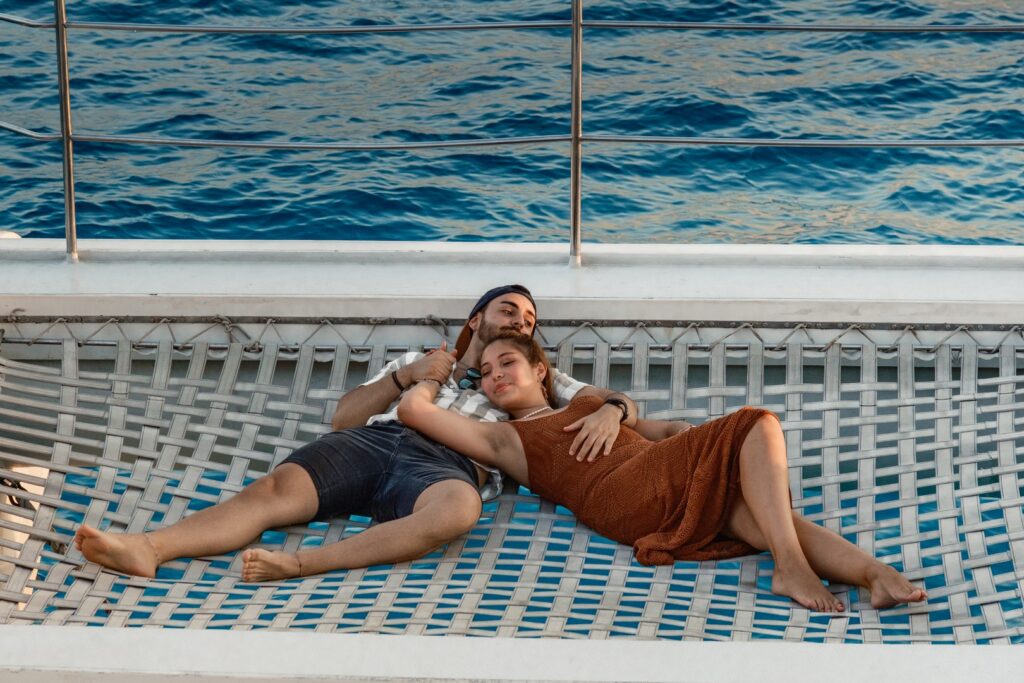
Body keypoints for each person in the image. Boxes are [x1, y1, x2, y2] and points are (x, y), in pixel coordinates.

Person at [74, 285, 639, 580]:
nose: (520, 322)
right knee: (271, 495)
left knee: (458, 512)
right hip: (374, 440)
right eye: (510, 310)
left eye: (528, 321)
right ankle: (148, 548)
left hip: (449, 464)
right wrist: (406, 376)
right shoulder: (424, 359)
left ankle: (305, 563)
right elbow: (345, 417)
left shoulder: (527, 369)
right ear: (476, 319)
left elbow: (611, 402)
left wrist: (613, 411)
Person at [397, 331, 929, 613]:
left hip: (656, 476)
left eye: (505, 363)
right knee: (757, 422)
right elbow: (415, 413)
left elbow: (667, 430)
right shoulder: (506, 438)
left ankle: (871, 577)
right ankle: (790, 569)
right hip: (620, 496)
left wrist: (619, 411)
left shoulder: (587, 405)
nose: (493, 377)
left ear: (540, 369)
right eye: (486, 373)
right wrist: (432, 374)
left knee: (760, 518)